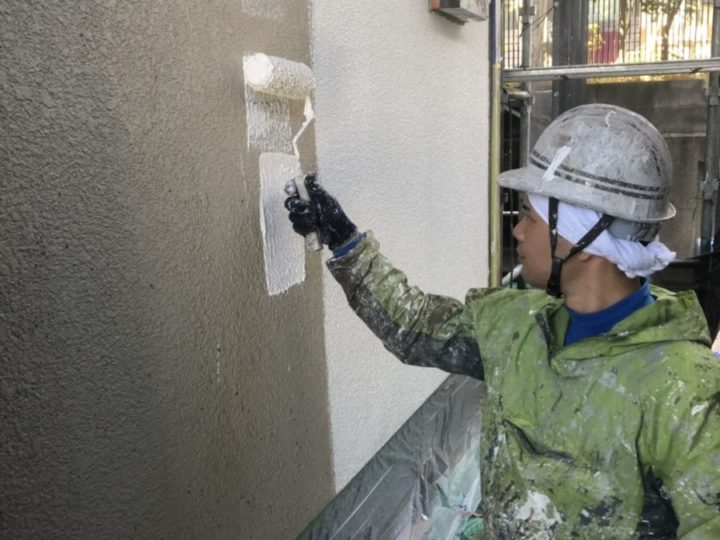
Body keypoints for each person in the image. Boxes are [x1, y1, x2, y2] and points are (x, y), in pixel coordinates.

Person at [285, 104, 720, 538]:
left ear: (584, 240)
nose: (518, 232)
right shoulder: (515, 324)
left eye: (530, 217)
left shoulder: (686, 390)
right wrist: (345, 242)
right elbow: (415, 325)